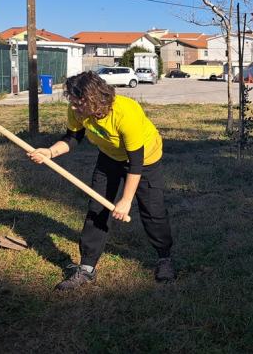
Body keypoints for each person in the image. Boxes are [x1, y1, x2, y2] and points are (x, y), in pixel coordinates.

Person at [28, 71, 174, 290]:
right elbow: (73, 138)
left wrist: (126, 200)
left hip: (145, 159)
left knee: (152, 210)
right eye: (73, 103)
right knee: (97, 207)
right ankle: (87, 267)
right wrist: (49, 152)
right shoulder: (78, 110)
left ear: (94, 99)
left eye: (78, 103)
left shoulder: (126, 113)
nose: (74, 108)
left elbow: (136, 162)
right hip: (110, 157)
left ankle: (165, 259)